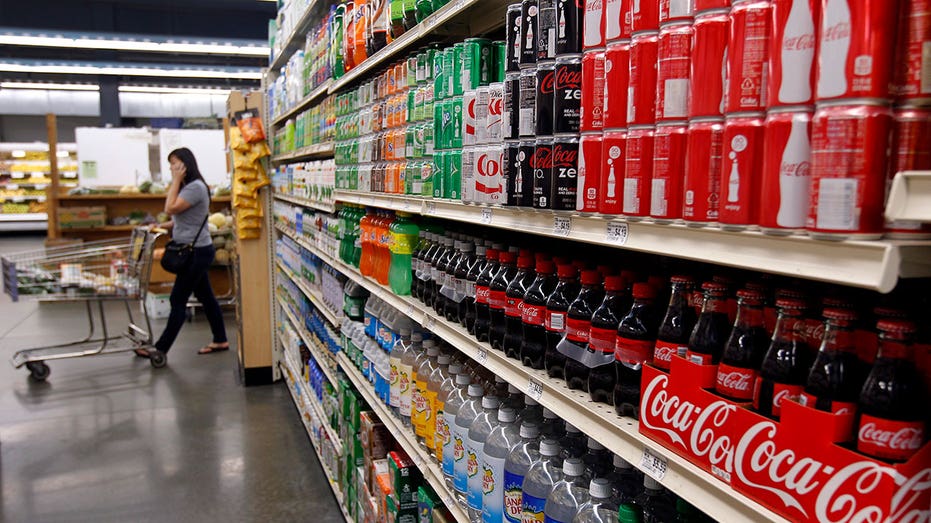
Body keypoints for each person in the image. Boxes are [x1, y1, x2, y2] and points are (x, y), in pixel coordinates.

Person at [136, 147, 228, 362]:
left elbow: (171, 208)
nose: (171, 168)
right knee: (206, 297)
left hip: (194, 253)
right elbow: (180, 219)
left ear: (185, 165)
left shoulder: (194, 187)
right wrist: (160, 226)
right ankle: (221, 339)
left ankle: (160, 349)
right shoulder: (192, 187)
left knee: (177, 299)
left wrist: (176, 181)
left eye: (174, 164)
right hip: (196, 250)